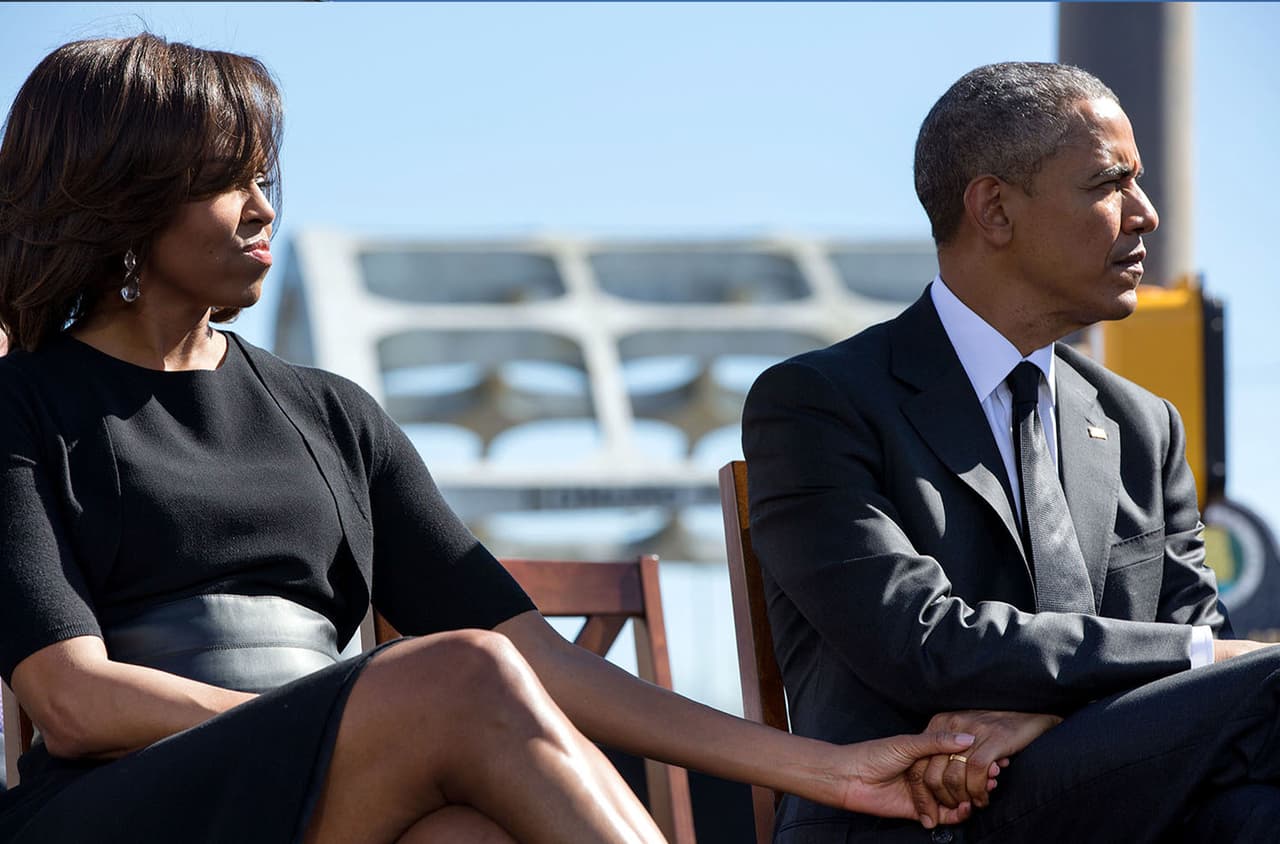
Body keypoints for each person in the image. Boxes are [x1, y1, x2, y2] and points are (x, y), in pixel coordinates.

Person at [0, 33, 1018, 844]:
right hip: (127, 802)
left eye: (266, 176)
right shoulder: (20, 405)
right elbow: (76, 701)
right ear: (122, 204)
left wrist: (824, 766)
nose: (262, 209)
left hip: (331, 785)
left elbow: (541, 659)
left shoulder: (329, 413)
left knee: (464, 828)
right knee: (457, 675)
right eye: (225, 181)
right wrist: (351, 719)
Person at [743, 61, 1280, 844]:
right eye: (1109, 184)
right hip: (924, 814)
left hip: (1135, 807)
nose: (1146, 214)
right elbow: (923, 644)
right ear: (994, 209)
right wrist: (1197, 655)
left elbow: (1204, 672)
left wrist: (1039, 717)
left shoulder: (1141, 425)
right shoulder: (819, 404)